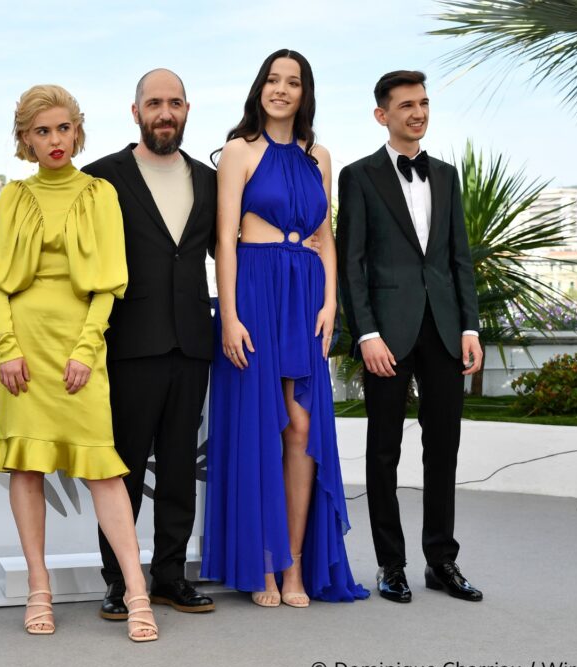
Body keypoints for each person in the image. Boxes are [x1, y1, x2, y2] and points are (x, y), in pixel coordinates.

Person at [0, 84, 158, 642]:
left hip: (81, 345)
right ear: (25, 139)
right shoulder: (13, 196)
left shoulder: (101, 193)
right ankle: (39, 587)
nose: (55, 140)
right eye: (42, 131)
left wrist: (86, 348)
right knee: (27, 466)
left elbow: (109, 282)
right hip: (22, 348)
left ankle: (136, 590)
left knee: (103, 467)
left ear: (77, 132)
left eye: (63, 128)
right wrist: (7, 347)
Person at [202, 49, 369, 607]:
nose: (280, 89)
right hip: (254, 290)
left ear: (304, 93)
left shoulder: (319, 156)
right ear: (260, 88)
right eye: (272, 80)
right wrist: (229, 315)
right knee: (261, 428)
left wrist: (330, 304)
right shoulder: (238, 151)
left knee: (301, 427)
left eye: (292, 82)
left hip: (305, 298)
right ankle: (265, 567)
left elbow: (327, 237)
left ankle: (294, 564)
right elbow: (225, 240)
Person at [336, 70, 484, 603]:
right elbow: (351, 264)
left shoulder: (445, 175)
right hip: (387, 334)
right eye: (406, 105)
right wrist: (367, 333)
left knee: (443, 448)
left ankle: (441, 561)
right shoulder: (358, 176)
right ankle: (391, 564)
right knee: (384, 451)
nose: (418, 113)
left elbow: (459, 257)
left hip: (444, 328)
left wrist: (469, 325)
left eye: (423, 103)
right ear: (382, 115)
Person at [82, 69, 217, 619]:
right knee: (125, 468)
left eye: (175, 103)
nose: (166, 112)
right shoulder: (100, 178)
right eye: (155, 103)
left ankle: (170, 576)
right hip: (128, 343)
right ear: (135, 111)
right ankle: (118, 580)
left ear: (187, 110)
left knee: (181, 467)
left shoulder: (210, 180)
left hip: (193, 341)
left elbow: (229, 254)